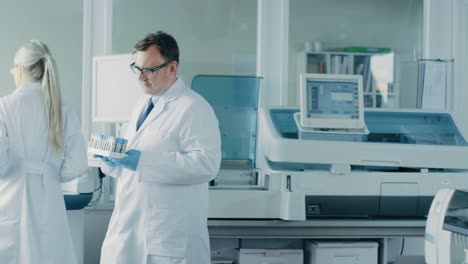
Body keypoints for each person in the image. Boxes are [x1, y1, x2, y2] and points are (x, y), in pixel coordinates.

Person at [98, 31, 221, 264]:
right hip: (130, 228)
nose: (141, 77)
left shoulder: (194, 108)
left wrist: (141, 161)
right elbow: (133, 165)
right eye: (137, 68)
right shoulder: (142, 105)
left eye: (149, 70)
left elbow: (206, 165)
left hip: (167, 236)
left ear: (172, 67)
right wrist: (112, 162)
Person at [0, 40, 88, 264]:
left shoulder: (4, 107)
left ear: (19, 68)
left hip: (11, 200)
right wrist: (50, 173)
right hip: (50, 200)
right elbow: (77, 165)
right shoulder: (64, 110)